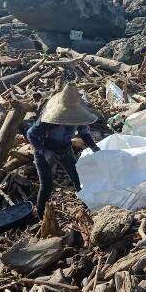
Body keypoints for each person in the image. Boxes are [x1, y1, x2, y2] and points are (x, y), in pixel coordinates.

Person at [26, 83, 101, 216]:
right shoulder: (48, 120)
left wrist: (94, 147)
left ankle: (88, 207)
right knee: (46, 185)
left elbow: (84, 133)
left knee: (78, 179)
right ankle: (40, 214)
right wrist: (45, 152)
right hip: (45, 150)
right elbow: (31, 134)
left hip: (65, 149)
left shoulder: (79, 116)